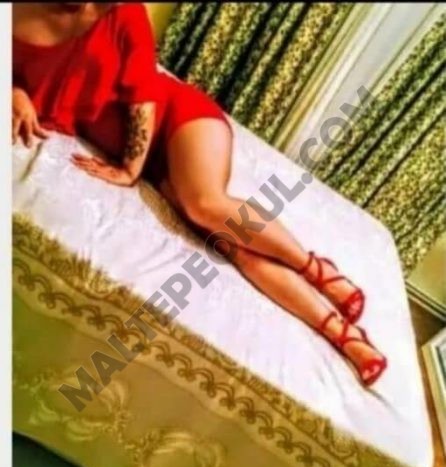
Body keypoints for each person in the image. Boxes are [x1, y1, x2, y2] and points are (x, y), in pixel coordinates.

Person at [12, 2, 387, 386]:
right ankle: (341, 333)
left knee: (205, 204)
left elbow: (144, 98)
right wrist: (15, 92)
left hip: (177, 117)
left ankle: (316, 270)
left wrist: (129, 170)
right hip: (157, 166)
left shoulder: (124, 12)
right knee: (231, 245)